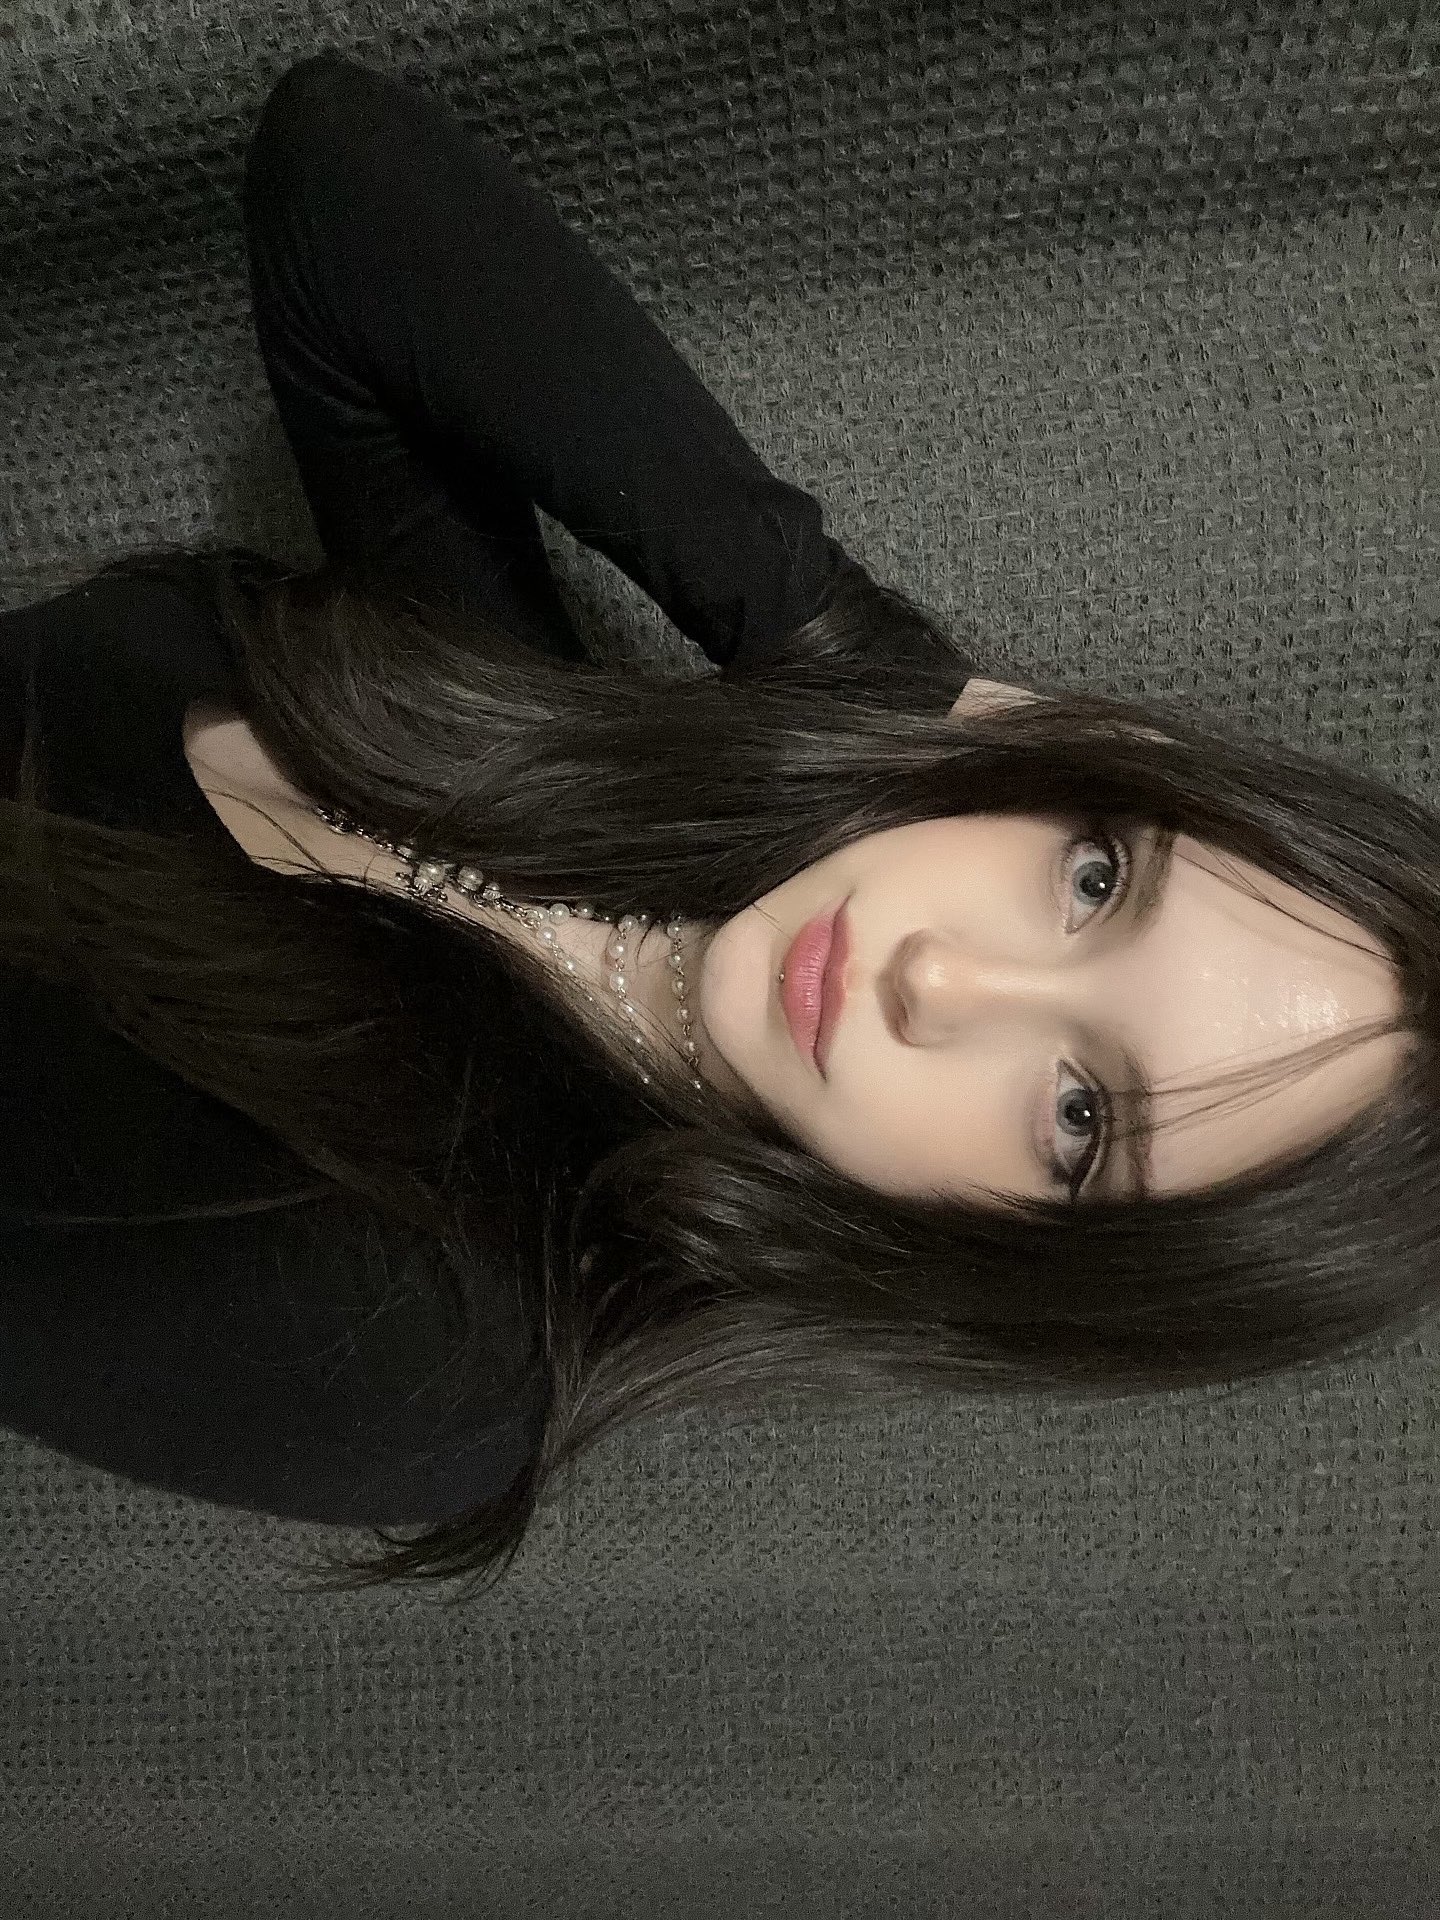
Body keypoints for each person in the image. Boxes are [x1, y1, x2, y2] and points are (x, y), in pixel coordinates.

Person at [0, 53, 1432, 1601]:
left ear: (1033, 1271)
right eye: (1093, 879)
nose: (942, 980)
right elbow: (334, 171)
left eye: (1081, 1118)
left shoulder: (436, 1346)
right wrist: (839, 638)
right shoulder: (519, 714)